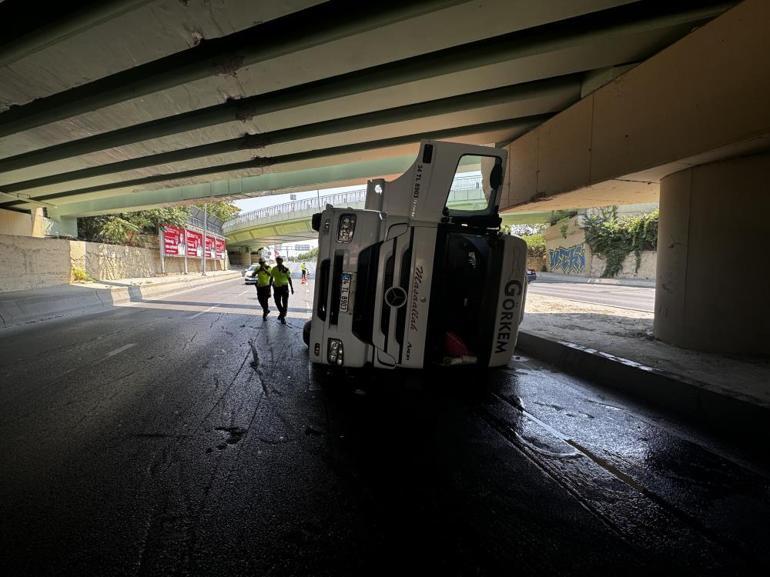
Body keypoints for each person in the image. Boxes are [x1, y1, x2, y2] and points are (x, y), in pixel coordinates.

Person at [270, 256, 294, 324]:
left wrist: (292, 288)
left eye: (279, 260)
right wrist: (270, 286)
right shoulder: (274, 269)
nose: (278, 262)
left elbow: (289, 278)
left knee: (285, 303)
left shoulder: (286, 269)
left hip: (285, 288)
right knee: (277, 301)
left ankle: (282, 317)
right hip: (277, 288)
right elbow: (271, 278)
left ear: (282, 261)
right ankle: (282, 313)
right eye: (277, 261)